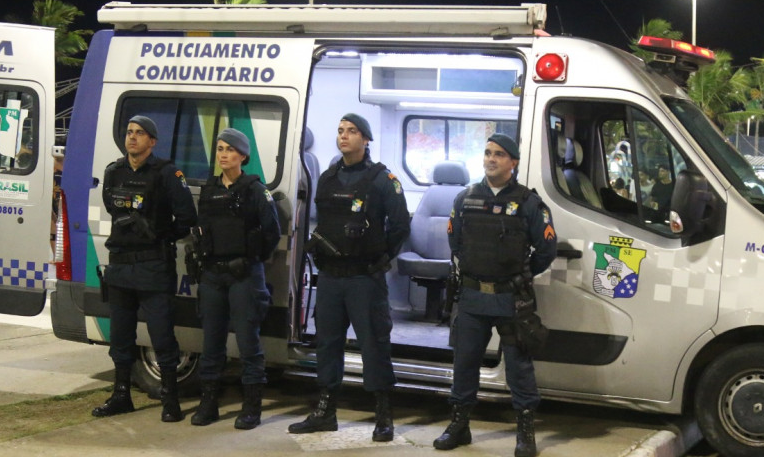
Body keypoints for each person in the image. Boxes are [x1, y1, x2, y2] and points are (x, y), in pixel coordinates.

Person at [288, 113, 410, 442]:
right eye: (340, 131)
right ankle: (325, 412)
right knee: (327, 345)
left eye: (352, 131)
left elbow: (400, 226)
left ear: (366, 139)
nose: (344, 136)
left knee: (374, 345)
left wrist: (381, 257)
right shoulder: (327, 178)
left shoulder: (383, 179)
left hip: (363, 279)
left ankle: (383, 415)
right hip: (330, 278)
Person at [433, 134, 556, 457]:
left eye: (499, 154)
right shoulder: (466, 198)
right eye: (487, 153)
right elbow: (455, 242)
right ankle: (459, 426)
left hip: (510, 299)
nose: (491, 159)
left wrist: (518, 273)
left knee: (519, 368)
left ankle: (525, 433)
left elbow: (546, 249)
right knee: (465, 364)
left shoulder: (529, 203)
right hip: (473, 297)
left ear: (513, 162)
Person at [90, 115, 197, 423]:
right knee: (121, 338)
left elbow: (187, 217)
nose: (132, 137)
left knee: (162, 338)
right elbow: (113, 208)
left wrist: (163, 238)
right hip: (121, 267)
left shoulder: (166, 173)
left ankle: (171, 399)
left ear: (152, 141)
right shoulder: (114, 172)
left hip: (153, 267)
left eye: (140, 133)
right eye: (129, 132)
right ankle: (121, 395)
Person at [190, 128, 281, 430]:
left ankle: (251, 407)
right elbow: (202, 229)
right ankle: (209, 404)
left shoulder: (255, 190)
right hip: (213, 275)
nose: (223, 155)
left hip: (244, 275)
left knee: (248, 344)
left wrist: (250, 257)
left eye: (229, 149)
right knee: (211, 342)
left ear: (243, 156)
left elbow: (271, 233)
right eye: (219, 149)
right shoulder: (209, 189)